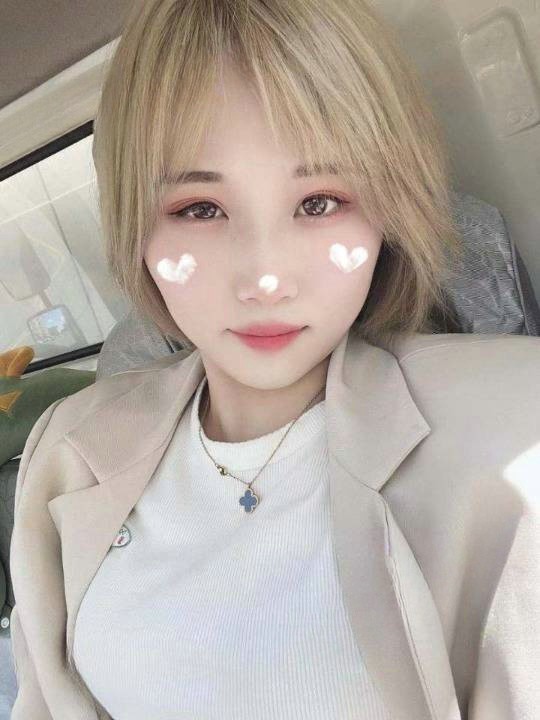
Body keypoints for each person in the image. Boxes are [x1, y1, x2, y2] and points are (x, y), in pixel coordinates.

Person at [9, 0, 539, 718]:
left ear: (388, 211)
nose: (264, 279)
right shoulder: (68, 446)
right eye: (199, 208)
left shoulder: (515, 431)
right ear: (136, 226)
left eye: (319, 202)